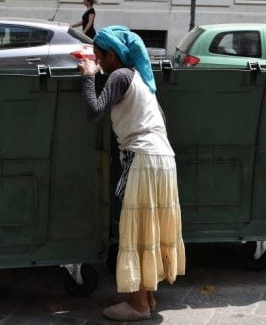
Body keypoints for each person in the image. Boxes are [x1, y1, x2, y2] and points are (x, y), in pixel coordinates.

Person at [78, 25, 186, 322]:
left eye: (98, 55)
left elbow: (93, 111)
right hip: (162, 159)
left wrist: (88, 75)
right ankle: (147, 298)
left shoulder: (120, 76)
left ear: (112, 55)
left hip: (145, 160)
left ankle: (137, 306)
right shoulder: (139, 78)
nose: (96, 59)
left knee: (137, 231)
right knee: (149, 228)